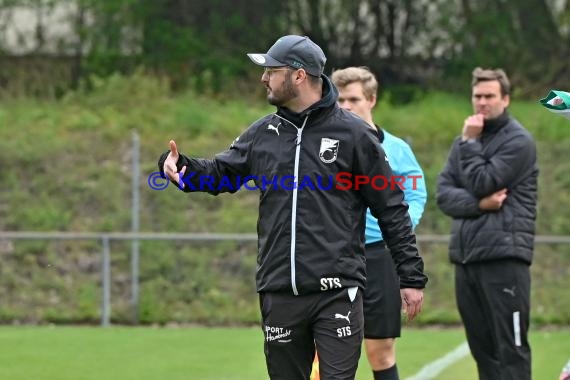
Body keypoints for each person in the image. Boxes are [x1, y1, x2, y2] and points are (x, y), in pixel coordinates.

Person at [158, 35, 428, 380]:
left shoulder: (355, 136)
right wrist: (179, 167)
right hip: (279, 290)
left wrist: (410, 276)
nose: (263, 78)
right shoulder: (263, 133)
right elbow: (220, 175)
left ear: (298, 76)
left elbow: (391, 208)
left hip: (337, 292)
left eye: (271, 70)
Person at [436, 67, 538, 380]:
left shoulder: (518, 142)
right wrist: (479, 204)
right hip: (467, 260)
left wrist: (468, 145)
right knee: (483, 353)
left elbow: (484, 180)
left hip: (504, 259)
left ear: (505, 99)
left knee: (511, 350)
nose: (482, 102)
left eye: (489, 96)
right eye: (477, 96)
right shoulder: (465, 140)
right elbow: (443, 195)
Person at [330, 67, 427, 380]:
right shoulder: (326, 149)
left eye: (353, 99)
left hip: (380, 256)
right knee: (328, 348)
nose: (345, 106)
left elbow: (415, 195)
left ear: (371, 100)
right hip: (336, 256)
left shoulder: (397, 150)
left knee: (380, 350)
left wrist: (394, 226)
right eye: (340, 99)